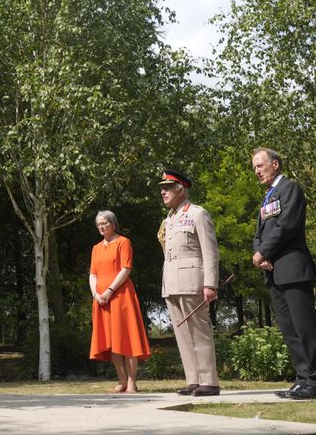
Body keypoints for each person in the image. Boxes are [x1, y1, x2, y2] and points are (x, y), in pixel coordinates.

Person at [251, 148, 316, 400]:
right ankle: (303, 379)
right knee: (289, 329)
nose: (257, 171)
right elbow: (259, 233)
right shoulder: (267, 197)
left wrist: (263, 251)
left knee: (305, 326)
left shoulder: (290, 189)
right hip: (274, 272)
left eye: (260, 165)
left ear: (275, 164)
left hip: (293, 269)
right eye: (254, 167)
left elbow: (287, 225)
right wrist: (260, 254)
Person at [158, 170, 221, 397]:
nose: (163, 192)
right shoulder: (169, 219)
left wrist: (210, 284)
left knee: (199, 331)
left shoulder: (197, 214)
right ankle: (194, 380)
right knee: (182, 333)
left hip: (194, 281)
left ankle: (209, 381)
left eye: (167, 187)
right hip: (172, 283)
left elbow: (210, 251)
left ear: (181, 189)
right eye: (162, 188)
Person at [88, 209, 151, 394]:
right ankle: (121, 380)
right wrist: (96, 294)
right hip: (102, 300)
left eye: (105, 223)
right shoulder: (96, 248)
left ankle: (132, 381)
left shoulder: (123, 242)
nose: (101, 226)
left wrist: (109, 290)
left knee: (127, 337)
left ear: (113, 224)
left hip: (121, 297)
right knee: (111, 339)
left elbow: (125, 268)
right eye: (99, 224)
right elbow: (93, 274)